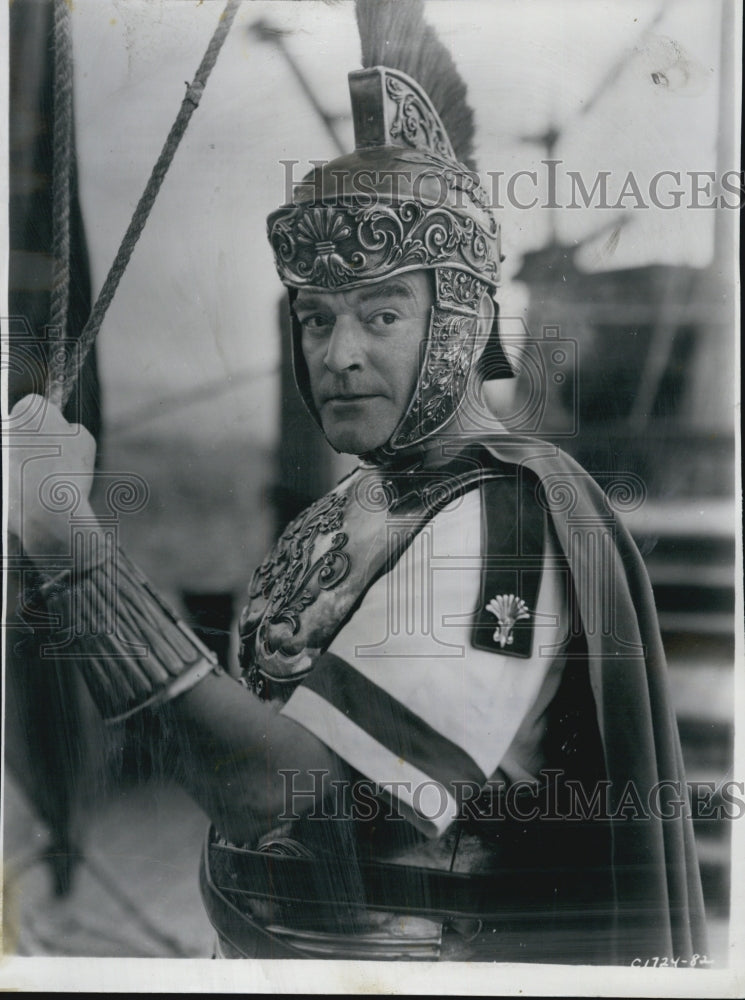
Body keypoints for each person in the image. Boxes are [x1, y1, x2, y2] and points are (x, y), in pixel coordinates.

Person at [7, 0, 707, 966]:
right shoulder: (356, 502)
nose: (337, 354)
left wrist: (69, 543)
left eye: (379, 316)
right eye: (314, 318)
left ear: (459, 323)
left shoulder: (503, 512)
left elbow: (279, 799)